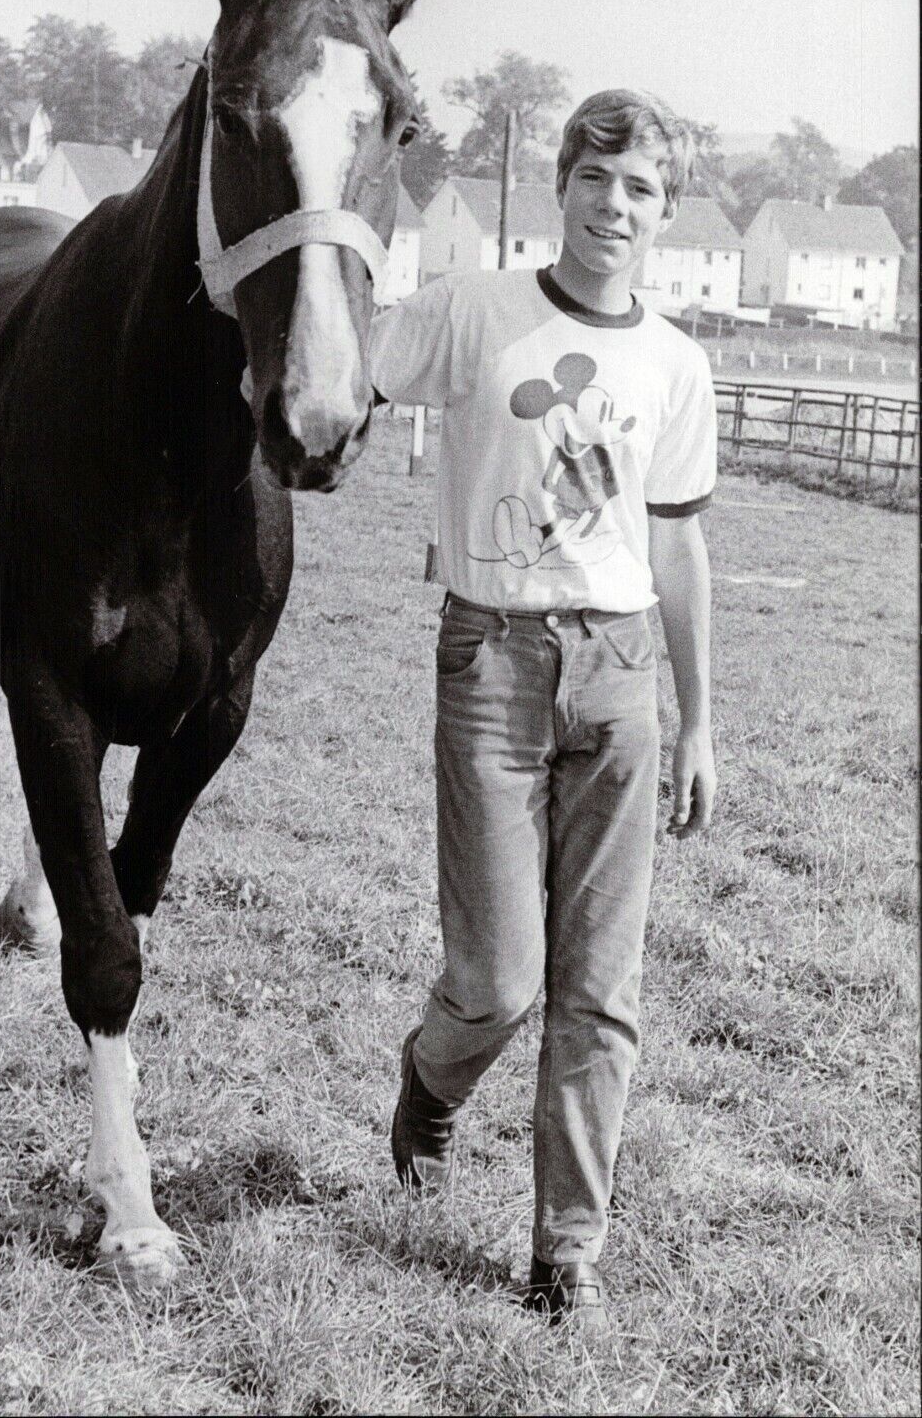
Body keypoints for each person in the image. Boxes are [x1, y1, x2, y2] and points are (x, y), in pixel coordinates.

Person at [369, 89, 718, 1335]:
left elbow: (678, 552)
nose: (613, 208)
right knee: (502, 979)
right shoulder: (475, 315)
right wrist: (379, 184)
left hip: (622, 682)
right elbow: (346, 337)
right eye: (595, 180)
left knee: (601, 989)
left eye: (639, 192)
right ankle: (431, 1078)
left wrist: (699, 722)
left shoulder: (676, 365)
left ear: (664, 213)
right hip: (494, 664)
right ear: (561, 185)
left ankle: (567, 1246)